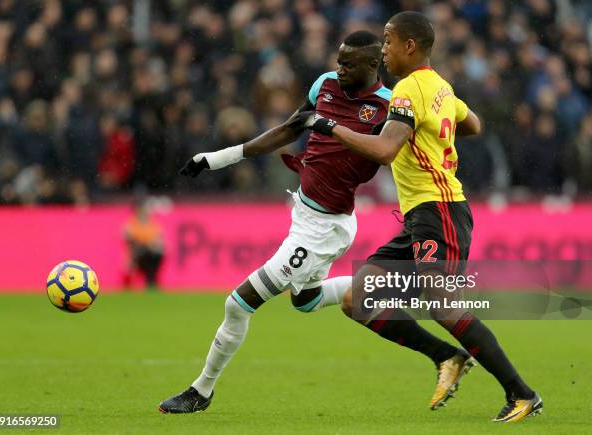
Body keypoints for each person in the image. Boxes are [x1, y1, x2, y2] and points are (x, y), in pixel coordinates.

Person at [158, 30, 466, 414]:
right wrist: (218, 158)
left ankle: (200, 391)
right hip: (305, 213)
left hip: (325, 228)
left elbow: (408, 146)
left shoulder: (392, 105)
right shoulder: (324, 85)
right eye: (338, 60)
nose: (338, 68)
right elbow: (290, 129)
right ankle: (381, 295)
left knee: (238, 304)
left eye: (348, 64)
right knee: (305, 300)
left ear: (373, 65)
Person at [291, 12, 542, 423]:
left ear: (410, 46)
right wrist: (435, 131)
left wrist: (327, 125)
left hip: (438, 210)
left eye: (388, 41)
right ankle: (447, 356)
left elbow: (385, 151)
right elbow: (472, 124)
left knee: (443, 305)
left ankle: (522, 394)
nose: (383, 49)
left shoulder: (408, 90)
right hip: (421, 217)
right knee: (358, 299)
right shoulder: (440, 86)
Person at [123, 200, 165, 289]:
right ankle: (150, 279)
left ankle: (151, 280)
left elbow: (158, 240)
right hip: (138, 255)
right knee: (144, 251)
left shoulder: (152, 224)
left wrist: (156, 245)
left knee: (157, 253)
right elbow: (129, 240)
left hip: (149, 254)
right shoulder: (132, 224)